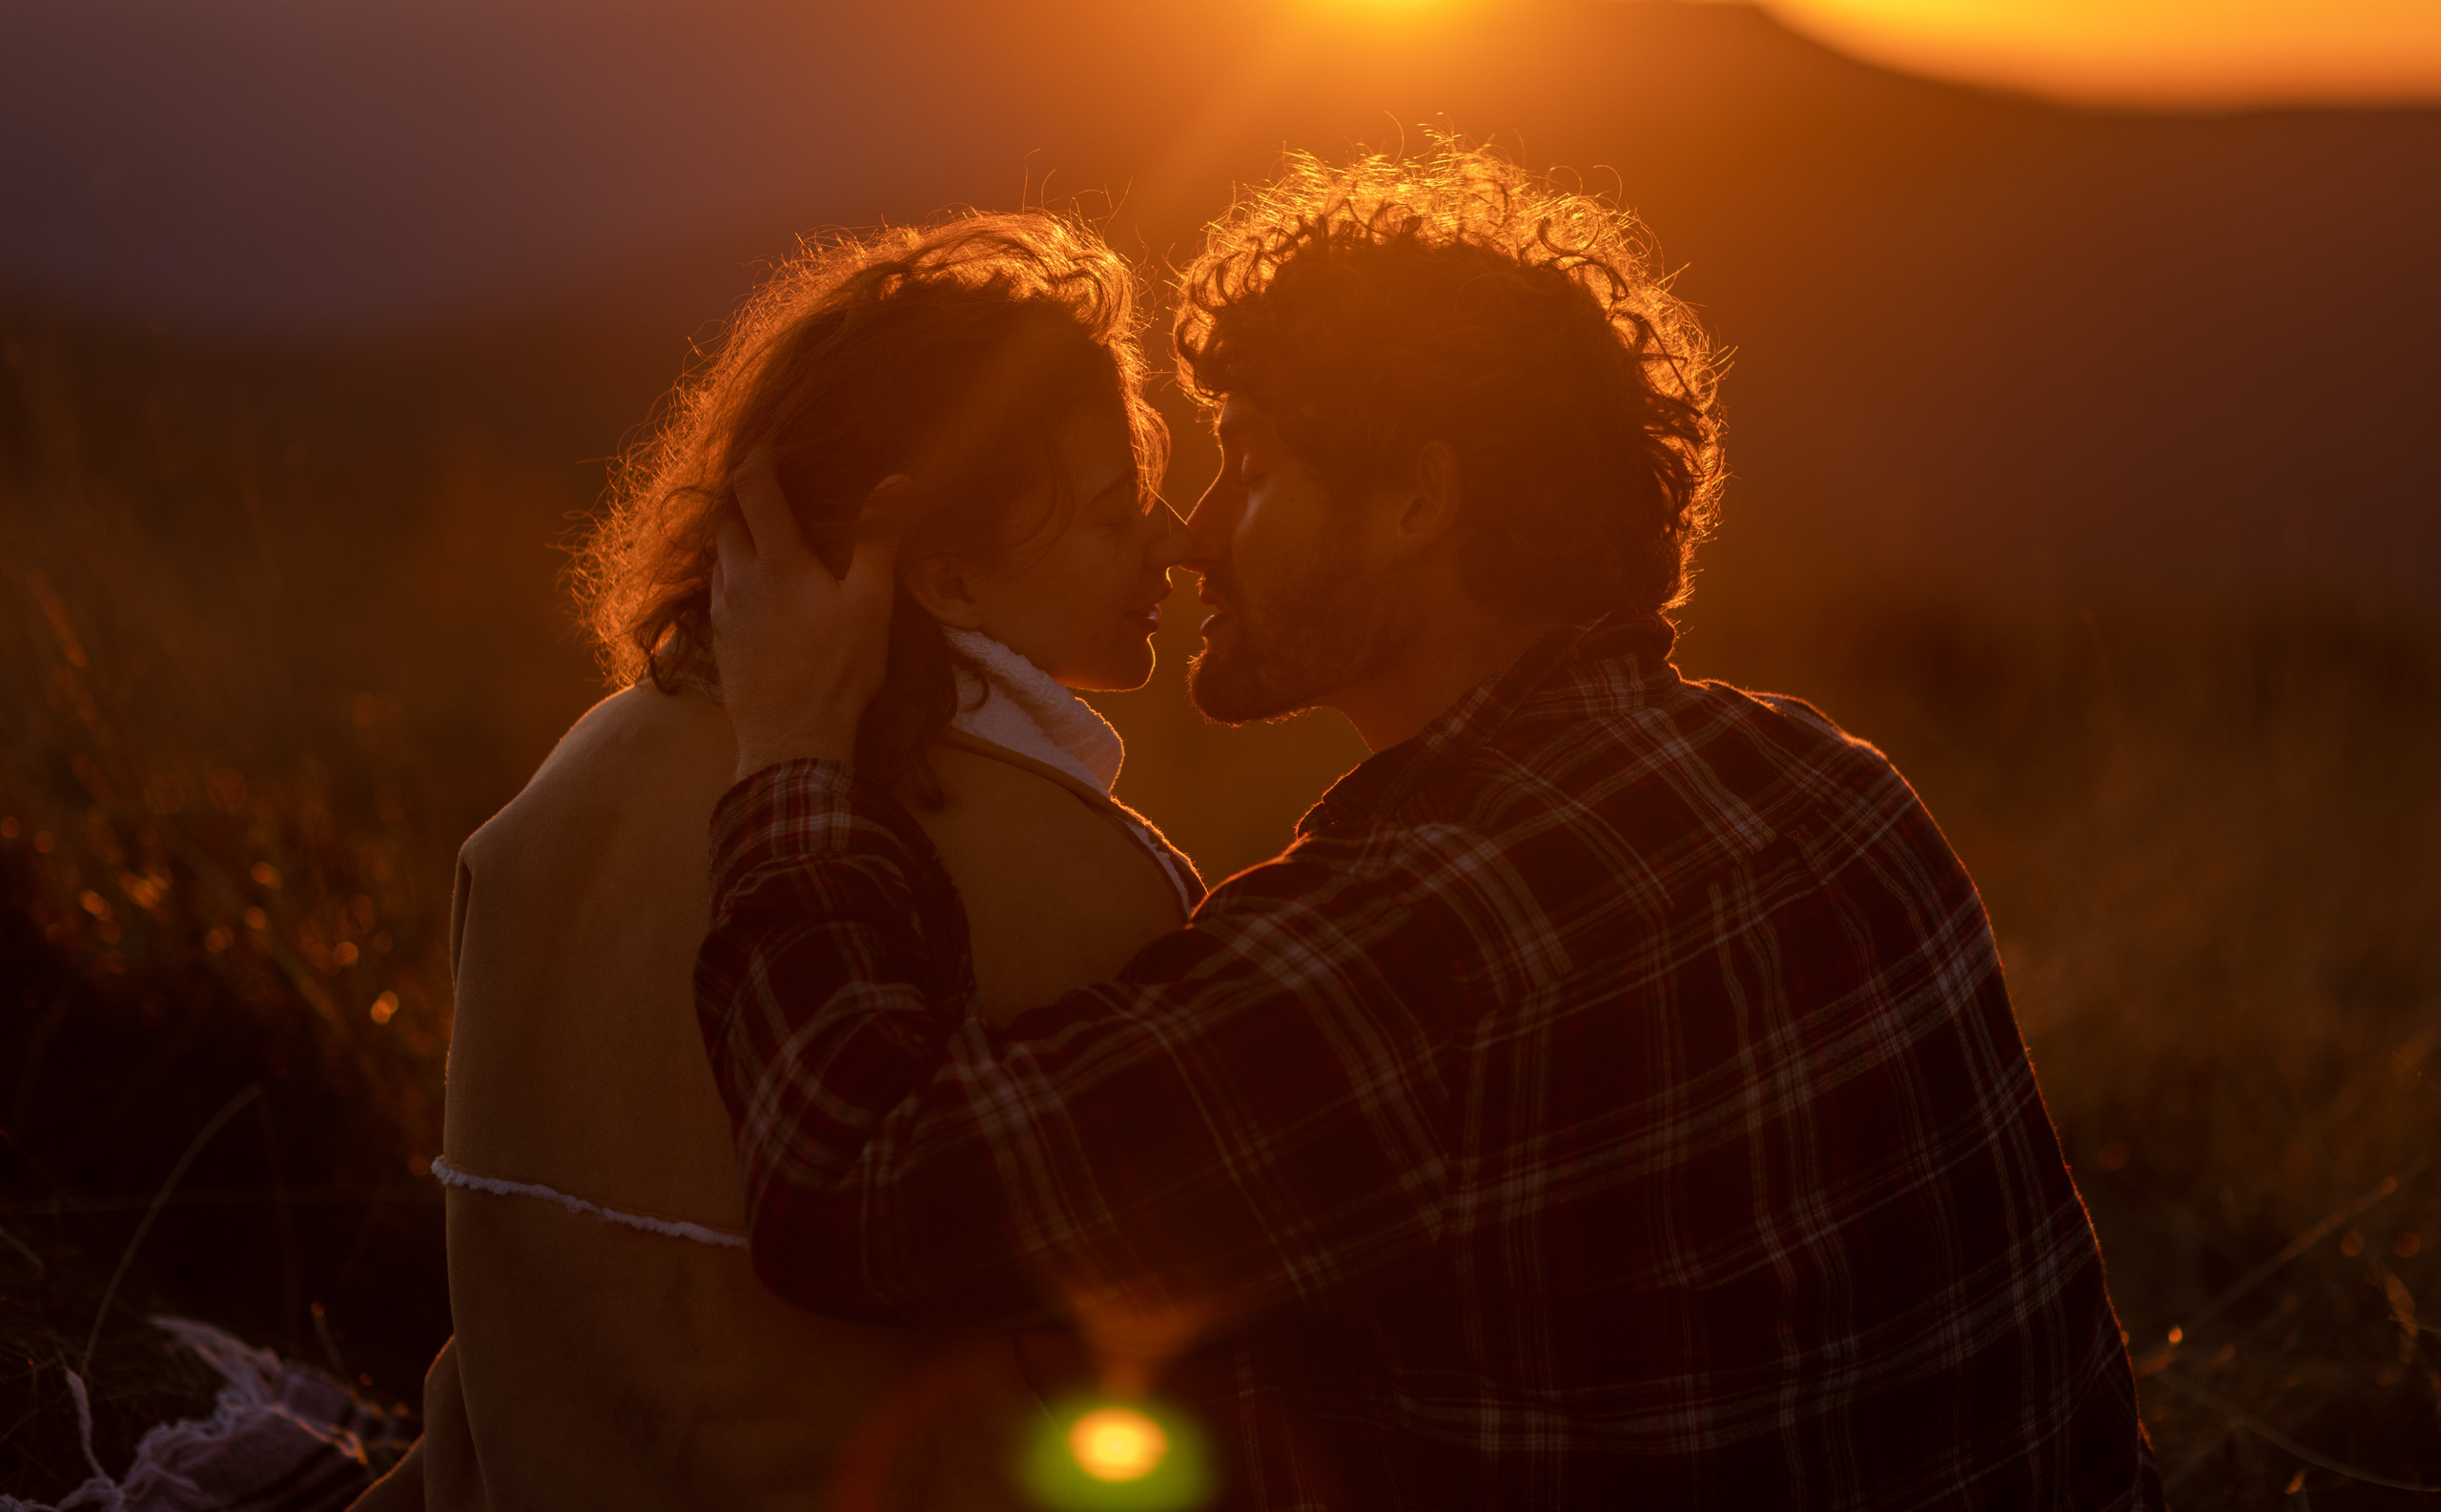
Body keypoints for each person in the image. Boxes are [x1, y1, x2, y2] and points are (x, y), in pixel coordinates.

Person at [697, 142, 2164, 1509]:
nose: (1197, 533)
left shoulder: (1415, 937)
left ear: (1416, 502)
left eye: (1254, 465)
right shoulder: (1835, 788)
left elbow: (855, 1193)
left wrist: (790, 760)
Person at [351, 213, 1200, 1511]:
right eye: (1115, 513)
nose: (1177, 542)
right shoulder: (1092, 886)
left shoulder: (573, 782)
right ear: (948, 579)